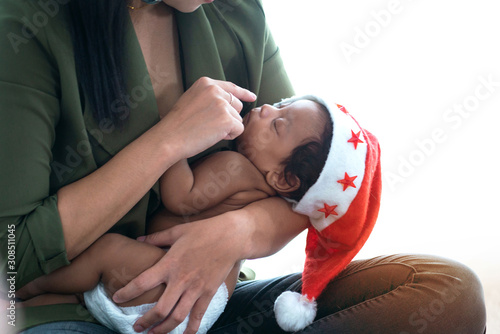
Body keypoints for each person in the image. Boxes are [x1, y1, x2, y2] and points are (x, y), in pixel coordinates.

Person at [0, 0, 486, 333]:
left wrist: (234, 231)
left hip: (209, 309)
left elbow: (307, 189)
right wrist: (168, 141)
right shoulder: (27, 25)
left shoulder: (235, 13)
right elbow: (10, 258)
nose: (270, 113)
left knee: (448, 292)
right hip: (74, 318)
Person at [16, 96, 333, 333]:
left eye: (277, 124)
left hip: (170, 288)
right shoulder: (267, 191)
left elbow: (181, 197)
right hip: (198, 308)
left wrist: (179, 137)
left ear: (283, 179)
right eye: (280, 104)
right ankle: (27, 306)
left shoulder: (236, 168)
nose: (267, 109)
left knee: (106, 251)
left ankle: (29, 287)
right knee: (90, 291)